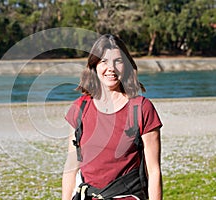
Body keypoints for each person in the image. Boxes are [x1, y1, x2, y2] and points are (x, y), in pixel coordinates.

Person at [62, 34, 163, 200]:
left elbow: (153, 171)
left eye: (118, 61)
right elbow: (71, 167)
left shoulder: (142, 108)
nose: (111, 68)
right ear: (94, 65)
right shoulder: (79, 108)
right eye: (104, 61)